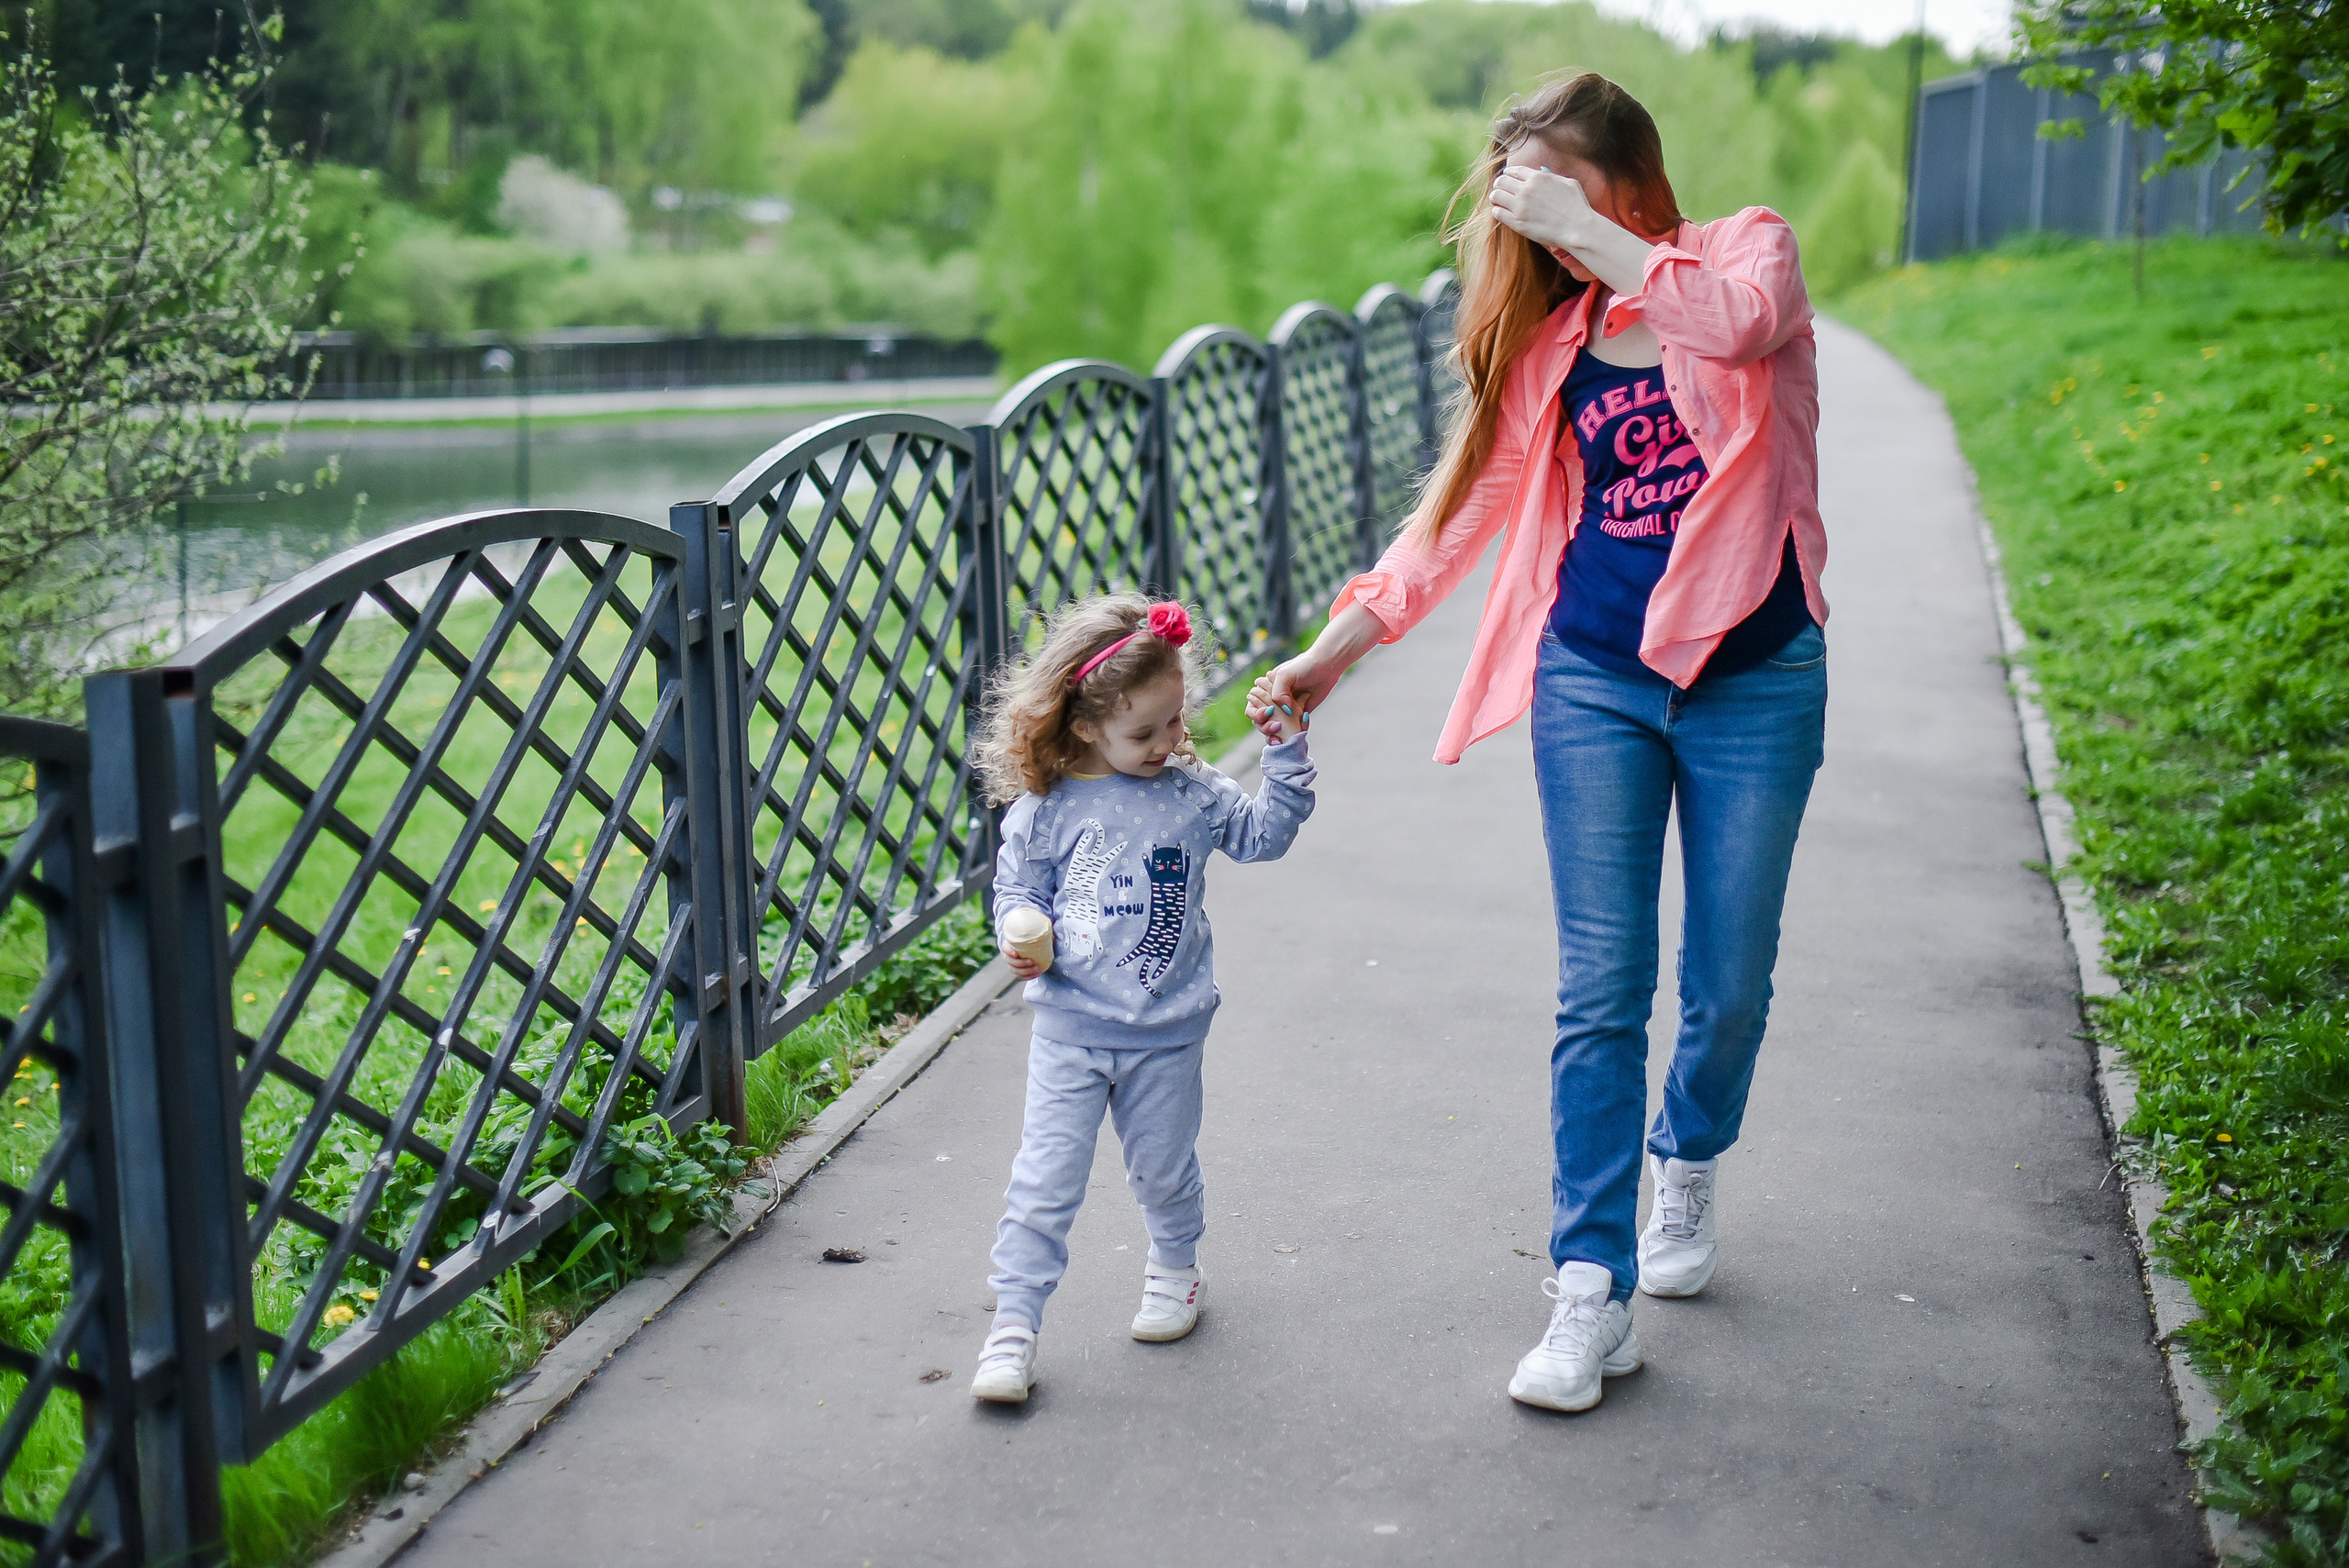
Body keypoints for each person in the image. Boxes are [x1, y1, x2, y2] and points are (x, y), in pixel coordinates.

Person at [1252, 71, 1827, 1414]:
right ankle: (1589, 1288)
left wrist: (1598, 231)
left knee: (1729, 980)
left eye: (1564, 198)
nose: (1549, 233)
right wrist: (1337, 651)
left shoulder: (1748, 253)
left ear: (1625, 181)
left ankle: (1690, 1151)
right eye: (1534, 210)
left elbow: (1738, 329)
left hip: (1756, 679)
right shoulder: (1560, 344)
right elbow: (1461, 515)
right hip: (1595, 685)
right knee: (1602, 988)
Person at [967, 593, 1315, 1404]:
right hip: (1071, 1030)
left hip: (1167, 1031)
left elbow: (1264, 835)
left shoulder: (1191, 793)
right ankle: (1012, 1326)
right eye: (1144, 732)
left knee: (1160, 1169)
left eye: (1173, 721)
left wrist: (1288, 757)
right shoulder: (1046, 809)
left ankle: (1175, 1266)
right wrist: (1020, 925)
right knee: (1044, 1182)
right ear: (1086, 725)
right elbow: (1017, 887)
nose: (1169, 743)